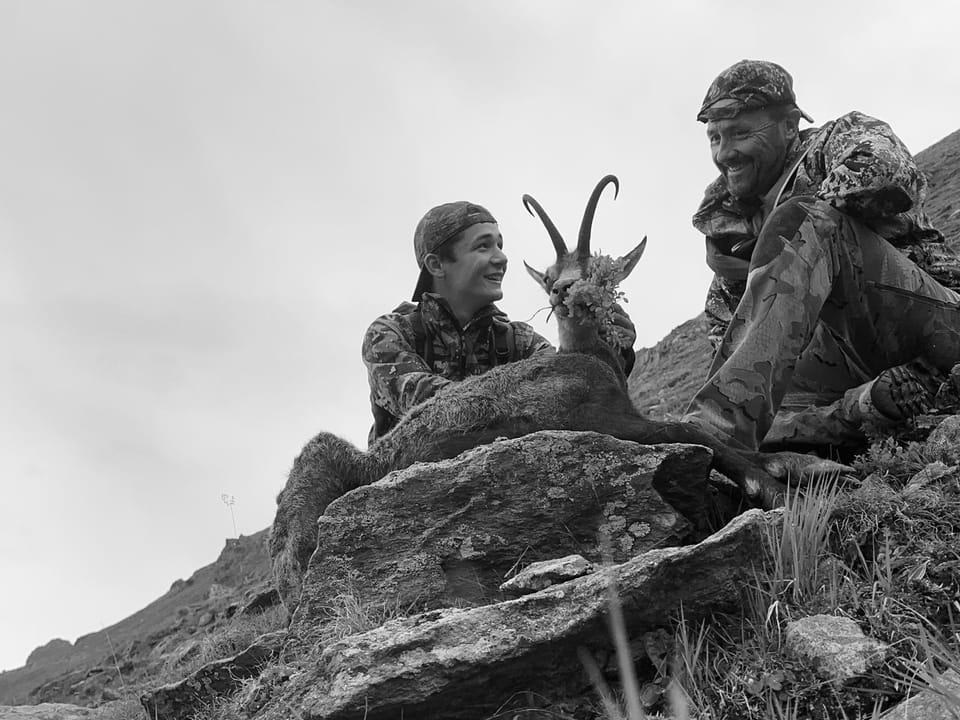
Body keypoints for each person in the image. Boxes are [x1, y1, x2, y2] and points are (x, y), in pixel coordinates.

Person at [683, 59, 960, 455]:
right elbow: (734, 370)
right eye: (714, 138)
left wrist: (788, 240)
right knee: (747, 400)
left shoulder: (838, 140)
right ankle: (860, 409)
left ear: (790, 126)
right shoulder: (727, 253)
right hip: (843, 374)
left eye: (740, 133)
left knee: (803, 220)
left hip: (939, 327)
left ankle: (715, 444)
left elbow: (892, 173)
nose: (725, 153)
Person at [363, 200, 637, 444]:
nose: (502, 258)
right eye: (483, 246)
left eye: (500, 245)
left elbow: (568, 392)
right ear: (436, 265)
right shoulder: (390, 334)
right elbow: (431, 409)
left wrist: (601, 346)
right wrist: (526, 399)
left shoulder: (520, 340)